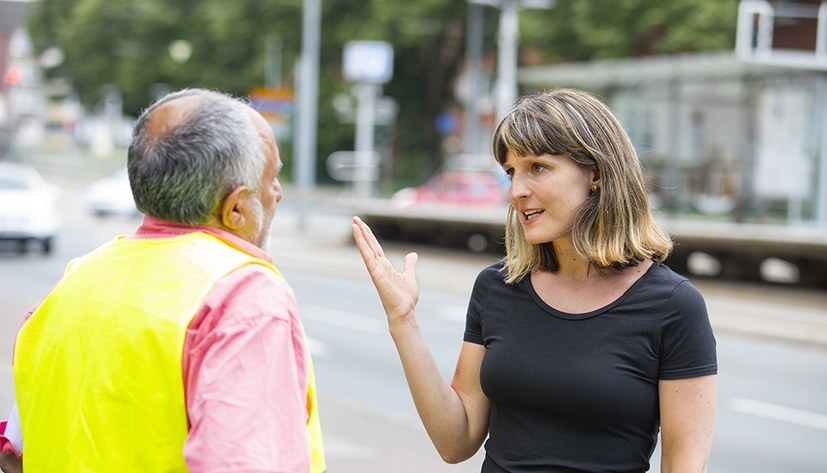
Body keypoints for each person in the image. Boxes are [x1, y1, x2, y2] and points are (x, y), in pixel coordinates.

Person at [352, 88, 717, 472]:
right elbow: (455, 442)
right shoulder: (497, 287)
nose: (516, 191)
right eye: (510, 172)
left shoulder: (673, 306)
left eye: (537, 168)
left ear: (595, 172)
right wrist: (403, 321)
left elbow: (684, 466)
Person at [0, 88, 325, 472]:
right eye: (271, 178)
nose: (278, 193)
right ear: (234, 208)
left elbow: (14, 456)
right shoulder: (243, 296)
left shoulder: (75, 282)